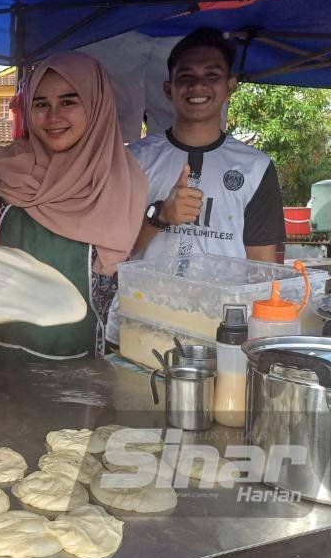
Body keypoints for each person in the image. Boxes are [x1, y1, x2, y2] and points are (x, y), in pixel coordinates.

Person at [108, 28, 285, 349]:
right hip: (143, 322)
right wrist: (160, 215)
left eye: (212, 75)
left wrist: (260, 341)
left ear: (230, 86)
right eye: (185, 76)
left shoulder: (255, 167)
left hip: (222, 331)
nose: (198, 85)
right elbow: (112, 252)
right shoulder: (136, 159)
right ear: (168, 89)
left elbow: (262, 264)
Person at [0, 51, 147, 366]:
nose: (53, 116)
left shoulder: (122, 186)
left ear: (97, 106)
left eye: (69, 102)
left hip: (79, 372)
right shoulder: (1, 172)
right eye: (41, 104)